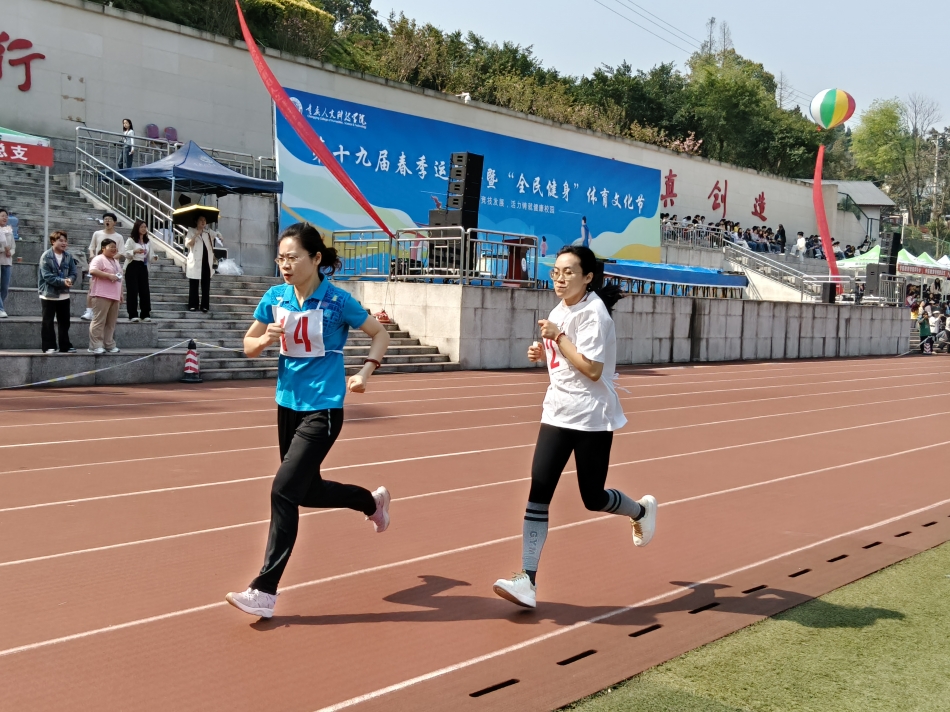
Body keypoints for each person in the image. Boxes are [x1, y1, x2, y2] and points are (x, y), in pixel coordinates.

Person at [225, 222, 392, 619]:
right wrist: (265, 339)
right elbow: (248, 345)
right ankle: (369, 501)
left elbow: (379, 334)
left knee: (283, 490)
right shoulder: (275, 297)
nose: (285, 265)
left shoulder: (337, 301)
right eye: (281, 258)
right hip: (287, 403)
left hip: (324, 407)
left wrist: (365, 373)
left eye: (293, 258)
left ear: (316, 259)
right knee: (304, 489)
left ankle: (264, 591)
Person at [492, 245, 657, 609]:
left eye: (569, 272)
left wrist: (558, 338)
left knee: (592, 498)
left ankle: (641, 511)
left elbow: (593, 370)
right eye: (556, 271)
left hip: (591, 417)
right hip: (557, 412)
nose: (560, 278)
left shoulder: (595, 314)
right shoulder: (559, 311)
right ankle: (527, 580)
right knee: (539, 490)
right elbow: (564, 364)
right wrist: (543, 354)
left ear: (588, 277)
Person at [37, 230, 78, 354]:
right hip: (49, 294)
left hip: (64, 294)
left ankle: (65, 345)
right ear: (53, 241)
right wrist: (63, 281)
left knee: (64, 321)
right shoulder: (46, 256)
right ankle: (49, 346)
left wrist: (70, 279)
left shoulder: (68, 256)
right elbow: (47, 276)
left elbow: (73, 272)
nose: (64, 243)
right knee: (48, 321)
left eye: (65, 241)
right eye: (61, 240)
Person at [85, 213, 124, 321]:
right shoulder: (97, 233)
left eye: (110, 219)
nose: (107, 221)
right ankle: (89, 311)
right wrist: (92, 255)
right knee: (91, 287)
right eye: (105, 219)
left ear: (114, 222)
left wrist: (110, 258)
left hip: (113, 266)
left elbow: (121, 252)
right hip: (98, 263)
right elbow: (91, 247)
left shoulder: (119, 237)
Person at [87, 238, 124, 354]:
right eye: (111, 247)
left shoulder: (116, 261)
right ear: (103, 248)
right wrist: (108, 276)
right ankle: (95, 345)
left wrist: (121, 293)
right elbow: (93, 271)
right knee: (99, 321)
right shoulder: (99, 258)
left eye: (115, 247)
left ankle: (109, 344)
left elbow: (120, 279)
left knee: (111, 322)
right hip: (101, 294)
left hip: (115, 295)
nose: (114, 249)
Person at [184, 215, 217, 312]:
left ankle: (205, 305)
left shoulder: (208, 232)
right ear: (196, 221)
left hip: (206, 261)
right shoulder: (191, 231)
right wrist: (196, 235)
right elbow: (188, 244)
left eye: (204, 220)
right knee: (194, 283)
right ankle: (193, 304)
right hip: (195, 261)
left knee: (206, 284)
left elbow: (217, 234)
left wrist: (220, 236)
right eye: (201, 220)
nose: (203, 222)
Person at [124, 219, 152, 322]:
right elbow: (125, 252)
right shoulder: (131, 240)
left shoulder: (147, 241)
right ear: (137, 228)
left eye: (145, 227)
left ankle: (145, 313)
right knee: (132, 290)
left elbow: (150, 254)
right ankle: (133, 314)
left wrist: (154, 257)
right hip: (132, 264)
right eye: (141, 227)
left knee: (145, 290)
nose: (144, 229)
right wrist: (134, 251)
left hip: (143, 266)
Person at [0, 208, 14, 318]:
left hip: (7, 261)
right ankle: (1, 309)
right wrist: (3, 249)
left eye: (6, 216)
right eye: (2, 216)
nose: (5, 218)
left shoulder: (9, 230)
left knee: (4, 287)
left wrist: (10, 252)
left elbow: (13, 246)